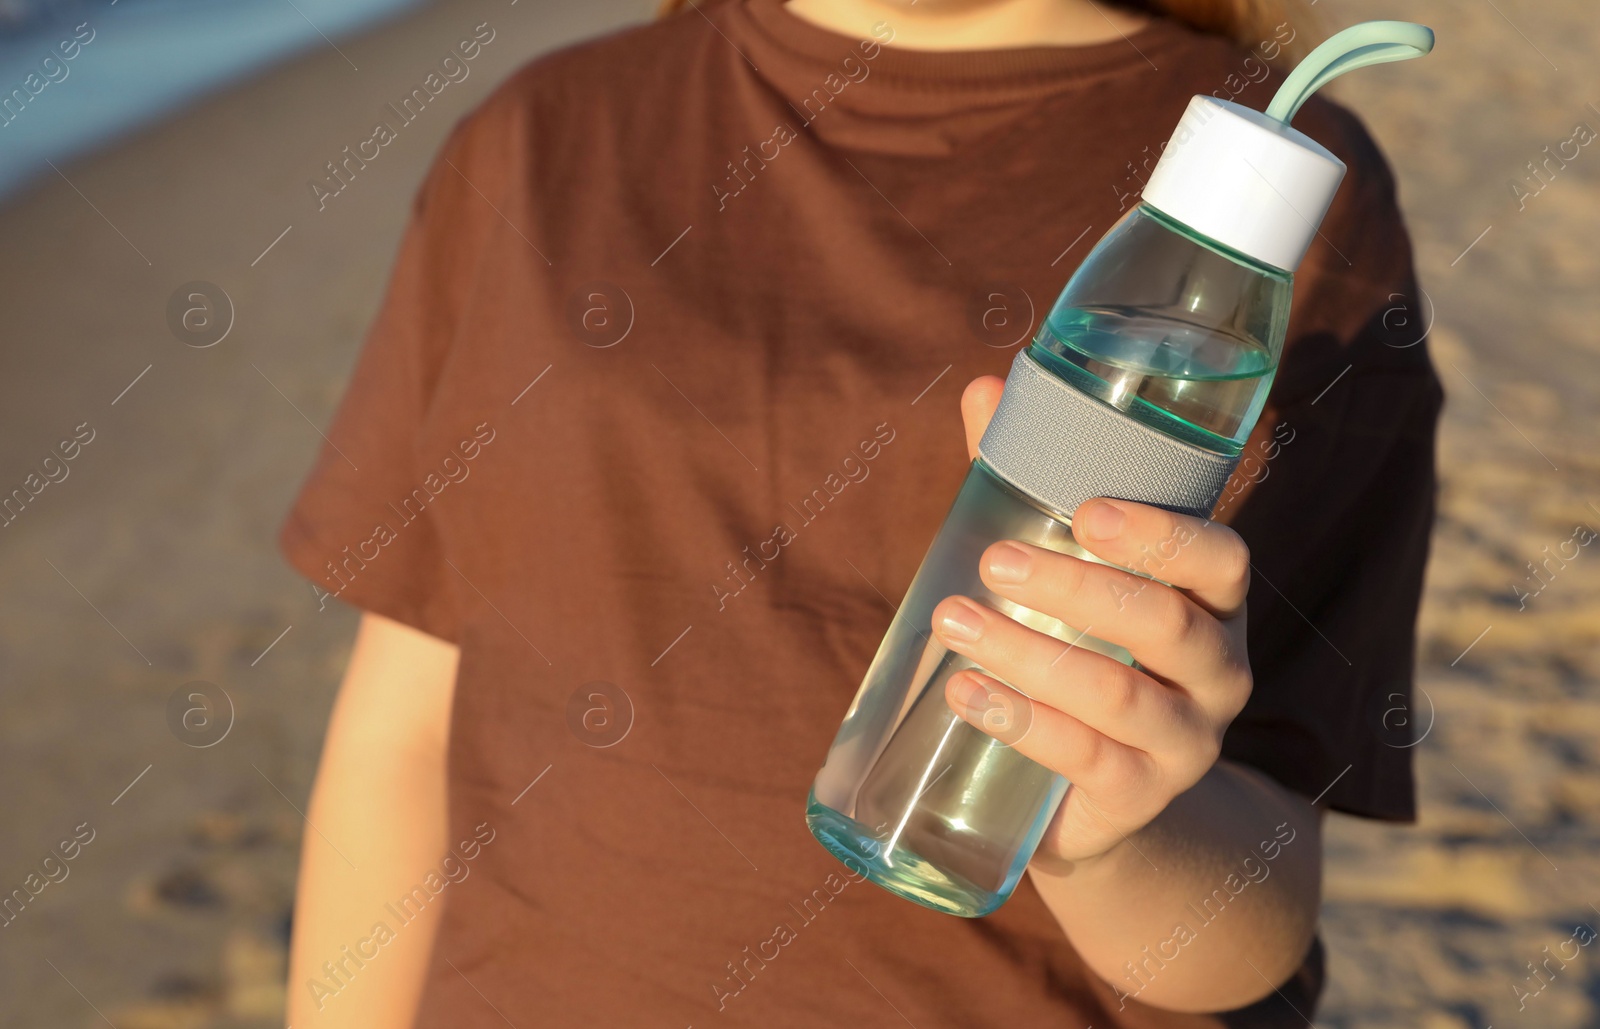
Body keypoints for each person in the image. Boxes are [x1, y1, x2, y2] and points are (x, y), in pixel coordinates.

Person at [278, 0, 1442, 1025]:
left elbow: (1255, 923)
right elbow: (404, 731)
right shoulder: (542, 135)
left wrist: (1111, 831)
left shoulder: (1288, 212)